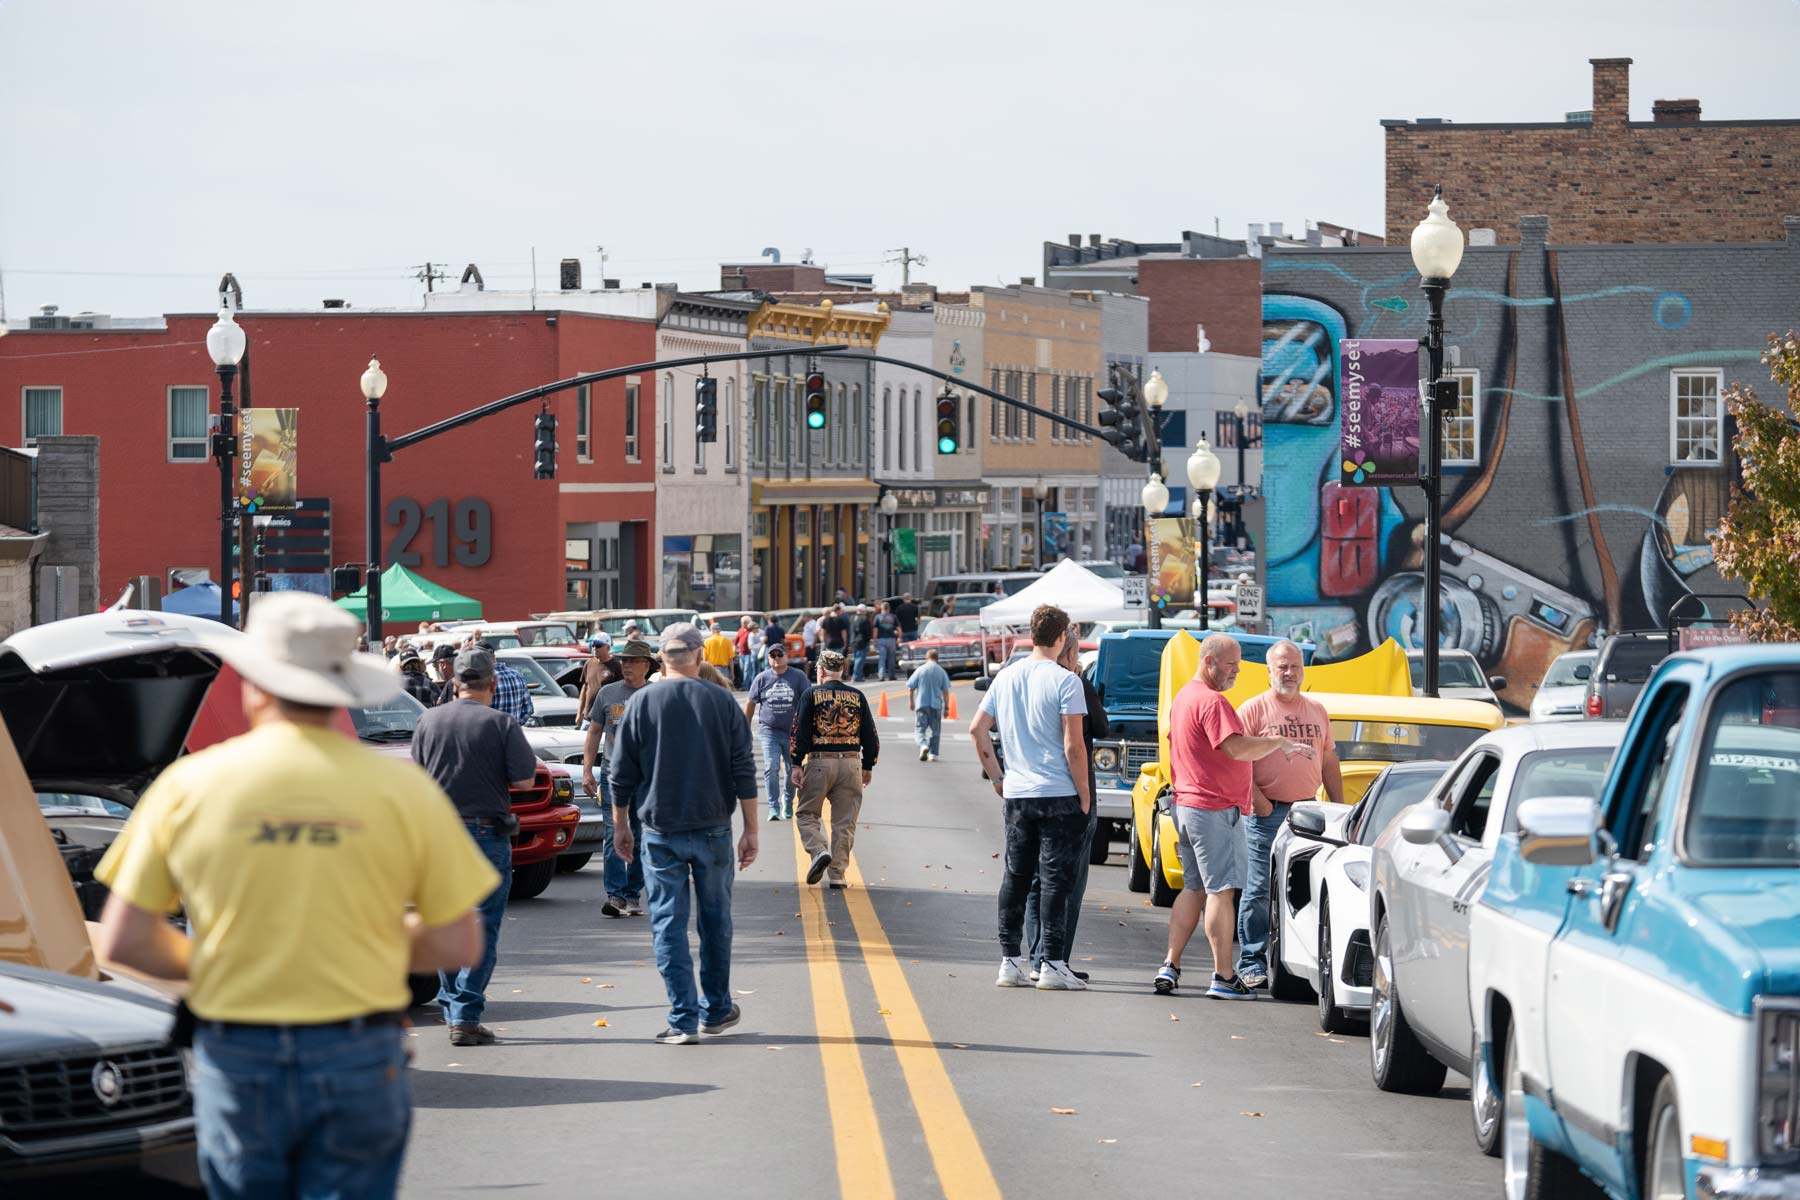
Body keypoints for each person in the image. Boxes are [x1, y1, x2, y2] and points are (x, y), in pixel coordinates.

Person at [93, 593, 493, 1197]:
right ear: (342, 687)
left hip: (239, 1041)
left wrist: (221, 965)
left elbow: (125, 940)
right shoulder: (401, 791)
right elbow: (457, 940)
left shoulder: (189, 785)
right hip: (358, 1044)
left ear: (252, 679)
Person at [607, 623, 759, 1045]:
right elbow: (743, 768)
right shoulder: (721, 700)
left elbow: (620, 774)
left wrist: (621, 824)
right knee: (716, 921)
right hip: (712, 827)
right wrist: (751, 829)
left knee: (668, 925)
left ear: (660, 658)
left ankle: (683, 1020)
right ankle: (715, 1009)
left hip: (659, 829)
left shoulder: (641, 703)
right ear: (699, 656)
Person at [1154, 634, 1315, 1001]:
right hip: (1212, 809)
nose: (1238, 671)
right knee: (1220, 892)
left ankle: (1170, 964)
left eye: (1239, 664)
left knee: (1194, 889)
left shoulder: (1185, 697)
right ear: (1208, 661)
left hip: (1188, 805)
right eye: (1231, 664)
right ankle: (1224, 976)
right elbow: (1237, 747)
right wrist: (1277, 741)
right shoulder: (1212, 702)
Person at [411, 646, 539, 1044]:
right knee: (482, 926)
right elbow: (524, 783)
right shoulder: (501, 723)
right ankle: (465, 1012)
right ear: (493, 683)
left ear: (453, 681)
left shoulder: (428, 720)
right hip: (485, 832)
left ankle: (454, 1009)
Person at [968, 604, 1091, 992]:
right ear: (1061, 638)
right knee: (1056, 880)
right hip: (1057, 792)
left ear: (1031, 635)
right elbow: (1074, 747)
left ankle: (1009, 960)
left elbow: (977, 730)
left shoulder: (1006, 676)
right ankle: (1053, 962)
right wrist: (1084, 795)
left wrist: (997, 776)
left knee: (1016, 876)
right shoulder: (1066, 680)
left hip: (1018, 791)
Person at [1233, 640, 1342, 988]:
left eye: (1295, 666)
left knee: (1303, 890)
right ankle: (1251, 960)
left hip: (1308, 813)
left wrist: (1338, 808)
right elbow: (1236, 760)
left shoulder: (1318, 711)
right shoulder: (1253, 710)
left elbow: (1328, 760)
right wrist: (1259, 799)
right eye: (1282, 666)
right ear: (1268, 671)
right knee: (1259, 889)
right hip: (1267, 814)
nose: (1290, 672)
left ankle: (1296, 960)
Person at [1024, 634, 1109, 977]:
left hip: (1030, 789)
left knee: (1034, 880)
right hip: (1071, 790)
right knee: (1069, 881)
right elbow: (1100, 727)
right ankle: (1055, 959)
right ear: (1070, 652)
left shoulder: (1026, 680)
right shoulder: (1074, 684)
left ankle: (1034, 958)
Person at [788, 650, 879, 888]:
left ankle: (818, 851)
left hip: (820, 761)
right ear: (843, 670)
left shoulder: (811, 694)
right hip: (851, 762)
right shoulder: (857, 696)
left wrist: (796, 763)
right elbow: (870, 735)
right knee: (844, 822)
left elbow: (800, 731)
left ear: (820, 670)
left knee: (807, 814)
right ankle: (838, 875)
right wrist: (868, 765)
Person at [582, 638, 657, 918]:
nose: (626, 666)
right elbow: (594, 732)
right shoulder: (608, 693)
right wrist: (588, 770)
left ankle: (631, 893)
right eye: (624, 660)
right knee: (614, 832)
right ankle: (615, 895)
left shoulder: (656, 695)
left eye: (633, 661)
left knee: (640, 836)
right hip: (613, 775)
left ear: (646, 666)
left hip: (646, 778)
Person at [744, 642, 810, 821]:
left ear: (786, 656)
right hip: (769, 731)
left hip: (793, 733)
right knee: (771, 767)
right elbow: (751, 703)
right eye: (772, 655)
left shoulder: (798, 677)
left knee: (792, 771)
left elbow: (808, 702)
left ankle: (788, 801)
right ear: (768, 658)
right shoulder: (762, 678)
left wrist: (808, 728)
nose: (776, 658)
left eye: (779, 654)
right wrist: (746, 727)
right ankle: (773, 807)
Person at [906, 647, 951, 762]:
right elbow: (945, 691)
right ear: (937, 658)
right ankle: (933, 753)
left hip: (922, 703)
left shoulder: (920, 670)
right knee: (935, 731)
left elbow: (911, 687)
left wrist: (911, 701)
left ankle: (923, 745)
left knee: (920, 729)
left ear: (927, 657)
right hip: (936, 705)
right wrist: (947, 707)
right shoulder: (941, 671)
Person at [478, 639, 535, 726]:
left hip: (490, 735)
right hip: (513, 736)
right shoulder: (517, 675)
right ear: (494, 656)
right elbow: (528, 709)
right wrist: (515, 726)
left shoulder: (484, 679)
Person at [577, 632, 619, 722]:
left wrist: (616, 719)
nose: (595, 648)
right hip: (588, 718)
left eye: (598, 645)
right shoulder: (589, 663)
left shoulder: (616, 666)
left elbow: (621, 693)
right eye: (593, 645)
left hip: (607, 719)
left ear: (608, 647)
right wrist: (579, 713)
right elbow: (584, 688)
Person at [873, 601, 901, 681]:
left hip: (881, 639)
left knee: (882, 658)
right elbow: (899, 629)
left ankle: (881, 676)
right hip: (891, 639)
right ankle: (891, 675)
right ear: (889, 609)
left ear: (881, 608)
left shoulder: (877, 617)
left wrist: (875, 640)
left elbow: (875, 630)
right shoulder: (893, 617)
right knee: (891, 658)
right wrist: (899, 637)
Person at [849, 606, 874, 683]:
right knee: (860, 659)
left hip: (853, 641)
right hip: (862, 641)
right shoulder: (864, 619)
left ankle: (859, 675)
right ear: (863, 611)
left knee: (857, 658)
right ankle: (855, 676)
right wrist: (868, 639)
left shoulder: (852, 618)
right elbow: (867, 631)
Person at [733, 617, 756, 689]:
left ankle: (745, 686)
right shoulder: (740, 630)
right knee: (742, 670)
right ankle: (745, 684)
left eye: (744, 622)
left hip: (748, 653)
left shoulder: (750, 631)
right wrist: (734, 647)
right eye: (742, 622)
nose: (742, 624)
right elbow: (736, 640)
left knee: (746, 670)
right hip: (741, 653)